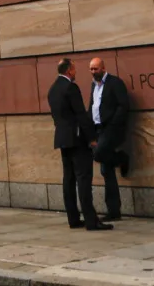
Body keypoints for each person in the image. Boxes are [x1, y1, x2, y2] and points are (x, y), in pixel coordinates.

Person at [48, 58, 106, 231]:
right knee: (83, 179)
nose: (75, 72)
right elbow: (81, 115)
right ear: (69, 71)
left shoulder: (53, 89)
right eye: (74, 69)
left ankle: (73, 218)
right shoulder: (71, 88)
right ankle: (91, 220)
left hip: (62, 139)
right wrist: (91, 138)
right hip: (77, 139)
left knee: (68, 179)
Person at [89, 56, 131, 223]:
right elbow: (92, 106)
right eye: (91, 69)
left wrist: (113, 124)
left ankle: (122, 157)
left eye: (96, 69)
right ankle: (114, 210)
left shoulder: (115, 83)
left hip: (111, 129)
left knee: (98, 154)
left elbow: (123, 105)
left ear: (103, 68)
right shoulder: (94, 85)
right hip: (98, 129)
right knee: (106, 171)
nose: (93, 72)